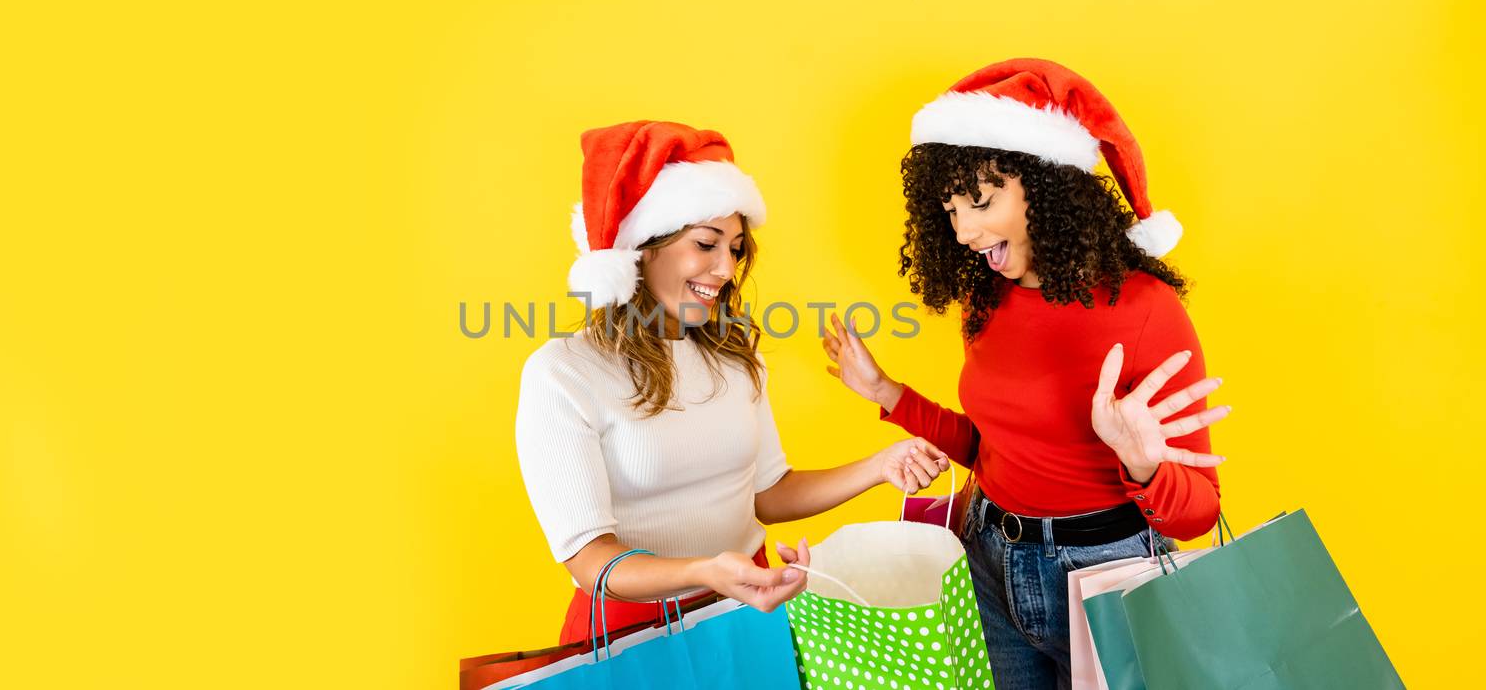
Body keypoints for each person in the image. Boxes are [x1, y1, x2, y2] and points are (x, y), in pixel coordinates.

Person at [822, 59, 1231, 689]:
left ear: (1046, 185)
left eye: (981, 201)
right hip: (987, 555)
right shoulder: (986, 300)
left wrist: (1143, 463)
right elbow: (993, 451)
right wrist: (885, 393)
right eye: (951, 209)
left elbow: (1199, 514)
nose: (963, 231)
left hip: (1104, 573)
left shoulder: (1145, 310)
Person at [517, 120, 949, 645]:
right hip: (633, 636)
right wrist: (703, 572)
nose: (724, 268)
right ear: (640, 247)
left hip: (745, 615)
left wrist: (880, 466)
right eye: (706, 243)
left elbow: (766, 494)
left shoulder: (735, 358)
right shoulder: (564, 373)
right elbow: (591, 562)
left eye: (737, 248)